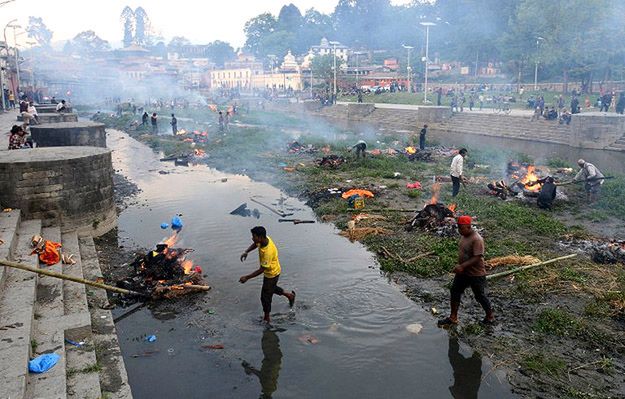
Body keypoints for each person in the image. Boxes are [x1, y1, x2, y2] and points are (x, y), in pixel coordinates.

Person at [438, 216, 494, 327]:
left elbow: (477, 257)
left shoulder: (477, 239)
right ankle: (453, 317)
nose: (459, 231)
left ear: (469, 227)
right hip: (463, 273)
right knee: (455, 291)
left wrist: (462, 266)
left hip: (476, 274)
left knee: (479, 296)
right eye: (458, 228)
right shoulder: (464, 236)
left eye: (461, 228)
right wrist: (461, 267)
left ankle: (490, 317)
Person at [239, 226, 296, 324]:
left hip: (272, 274)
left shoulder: (267, 252)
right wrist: (246, 251)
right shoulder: (265, 239)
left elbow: (262, 269)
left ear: (260, 237)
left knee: (265, 297)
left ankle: (267, 318)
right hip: (273, 270)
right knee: (270, 289)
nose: (252, 238)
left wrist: (247, 277)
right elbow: (256, 244)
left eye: (254, 236)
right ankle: (289, 295)